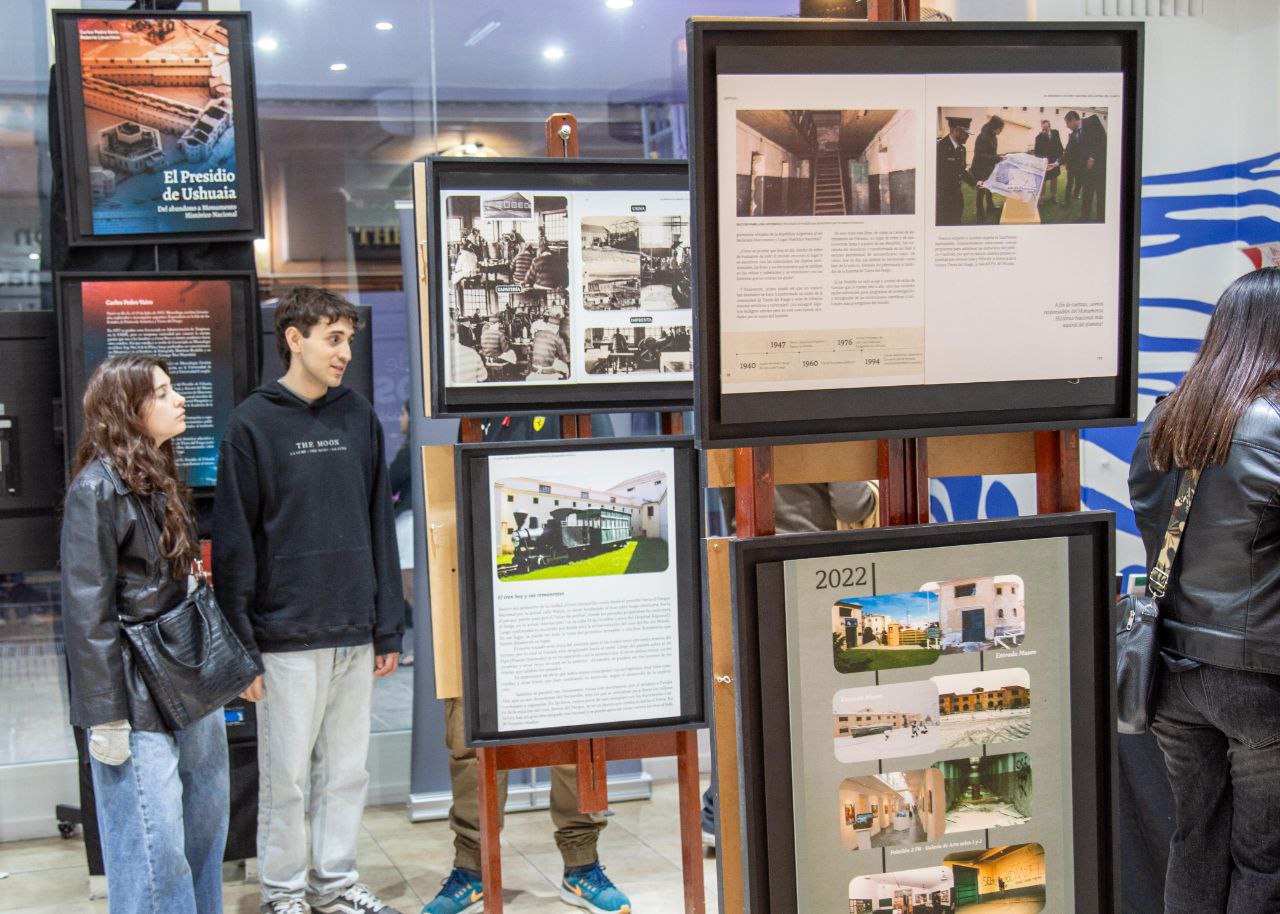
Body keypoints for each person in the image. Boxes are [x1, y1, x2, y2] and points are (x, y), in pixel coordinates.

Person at [213, 286, 404, 914]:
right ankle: (283, 892)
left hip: (354, 630)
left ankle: (335, 883)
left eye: (348, 340)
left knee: (347, 772)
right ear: (294, 339)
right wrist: (242, 647)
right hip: (283, 637)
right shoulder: (251, 424)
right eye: (333, 339)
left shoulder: (358, 416)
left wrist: (387, 626)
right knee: (287, 780)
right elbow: (236, 543)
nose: (345, 352)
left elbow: (378, 524)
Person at [422, 414, 631, 914]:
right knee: (470, 735)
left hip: (562, 605)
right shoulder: (476, 409)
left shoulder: (577, 407)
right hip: (481, 597)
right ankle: (471, 869)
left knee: (576, 735)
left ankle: (581, 865)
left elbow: (603, 489)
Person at [1128, 266, 1280, 913]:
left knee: (1195, 841)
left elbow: (1148, 514)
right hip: (1257, 675)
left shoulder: (1166, 420)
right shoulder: (1273, 426)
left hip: (1169, 671)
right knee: (1264, 859)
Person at [62, 354, 230, 914]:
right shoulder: (96, 490)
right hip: (134, 692)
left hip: (189, 676)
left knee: (204, 828)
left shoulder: (159, 477)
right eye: (160, 392)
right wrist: (104, 716)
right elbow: (88, 615)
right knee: (154, 847)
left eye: (172, 388)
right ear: (125, 408)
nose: (178, 399)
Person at [1065, 110, 1107, 222]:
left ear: (1073, 120)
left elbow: (1102, 140)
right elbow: (1068, 151)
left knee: (1101, 195)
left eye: (1067, 123)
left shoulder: (1092, 121)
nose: (1067, 126)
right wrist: (1056, 163)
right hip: (1086, 170)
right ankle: (1084, 218)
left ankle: (1101, 220)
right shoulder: (1073, 135)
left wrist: (1092, 157)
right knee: (1086, 194)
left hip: (1100, 168)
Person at [936, 116, 975, 226]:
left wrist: (975, 182)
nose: (968, 136)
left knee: (956, 222)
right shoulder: (940, 148)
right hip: (942, 199)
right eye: (965, 133)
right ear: (956, 130)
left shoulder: (962, 149)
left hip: (957, 197)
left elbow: (961, 170)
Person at [972, 115, 1004, 224]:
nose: (1001, 131)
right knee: (981, 191)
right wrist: (997, 158)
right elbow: (981, 156)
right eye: (1000, 129)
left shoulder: (993, 136)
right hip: (980, 167)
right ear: (995, 127)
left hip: (989, 166)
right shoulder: (983, 137)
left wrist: (997, 159)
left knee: (990, 188)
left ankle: (990, 207)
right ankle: (980, 215)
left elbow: (992, 153)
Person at [1033, 119, 1064, 204]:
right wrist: (1043, 161)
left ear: (1049, 127)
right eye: (1043, 129)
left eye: (1046, 129)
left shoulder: (1056, 133)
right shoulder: (1038, 138)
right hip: (1044, 163)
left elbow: (1059, 147)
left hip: (1054, 161)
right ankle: (1042, 197)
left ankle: (1054, 196)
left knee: (1054, 179)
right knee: (1043, 180)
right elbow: (1037, 152)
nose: (1044, 131)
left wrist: (1059, 159)